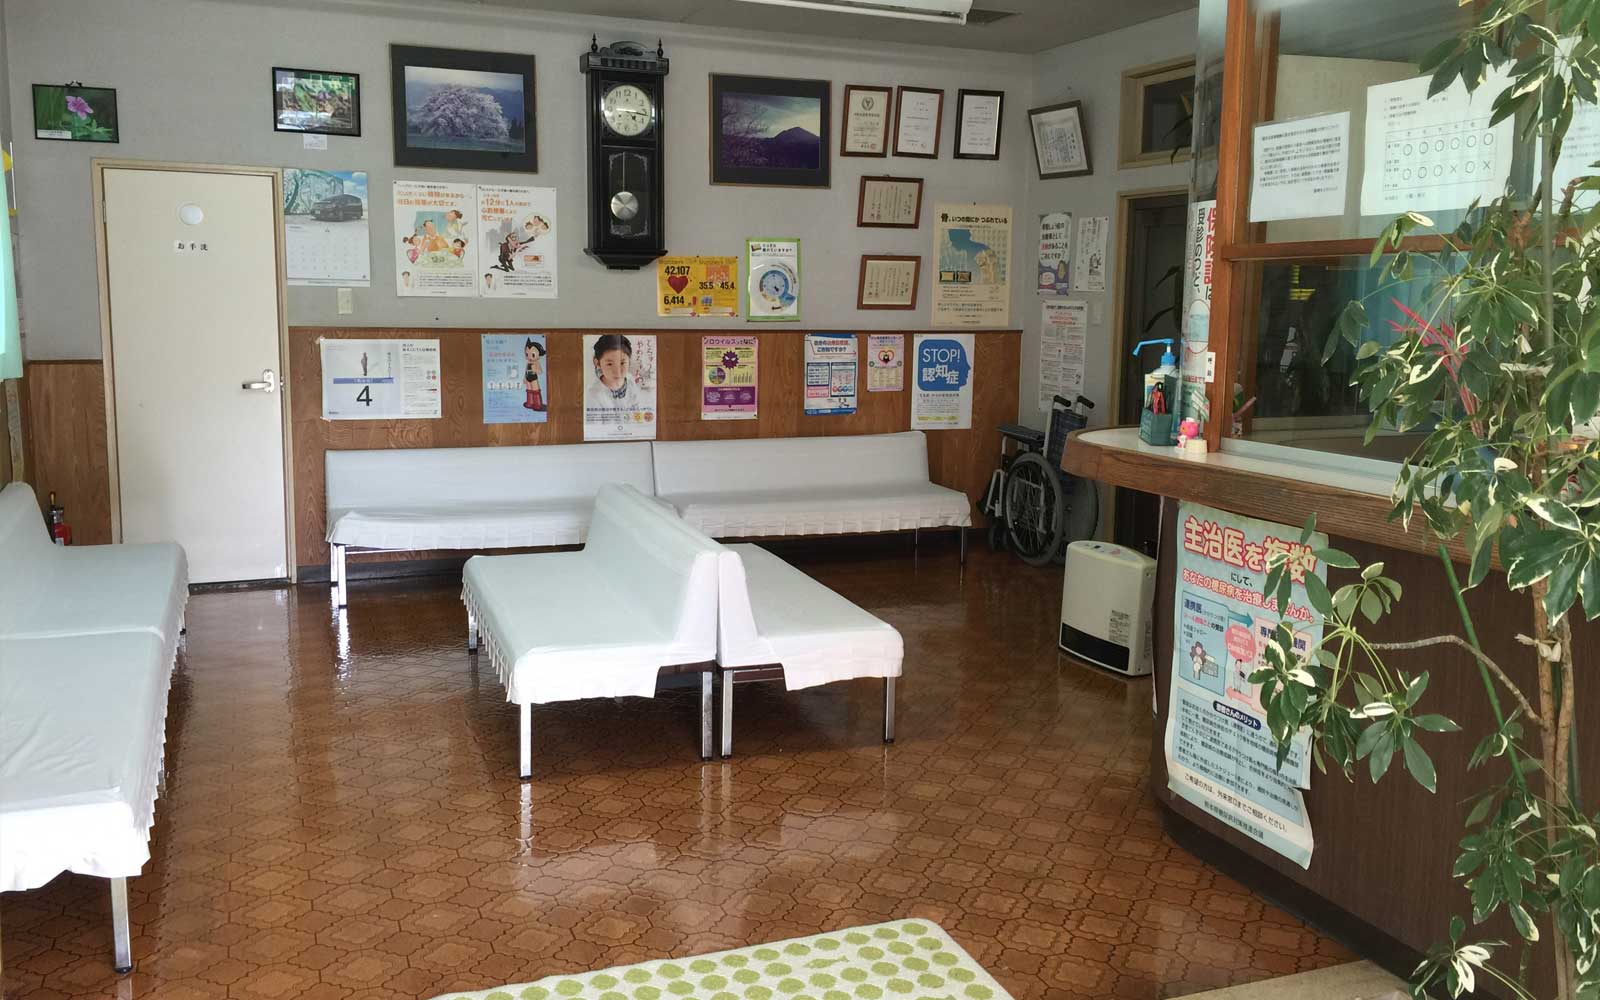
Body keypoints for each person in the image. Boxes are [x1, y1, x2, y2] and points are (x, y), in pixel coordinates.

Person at [584, 334, 645, 418]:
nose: (617, 371)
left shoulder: (630, 380)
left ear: (629, 361)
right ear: (597, 363)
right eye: (609, 364)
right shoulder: (594, 394)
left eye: (622, 363)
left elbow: (637, 408)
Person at [523, 338, 546, 411]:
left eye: (532, 354)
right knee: (529, 390)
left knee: (535, 391)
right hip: (528, 378)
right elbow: (526, 371)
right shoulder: (528, 363)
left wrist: (534, 369)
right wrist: (525, 378)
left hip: (534, 378)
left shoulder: (536, 363)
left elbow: (540, 371)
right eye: (527, 354)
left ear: (539, 355)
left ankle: (537, 404)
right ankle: (530, 403)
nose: (529, 357)